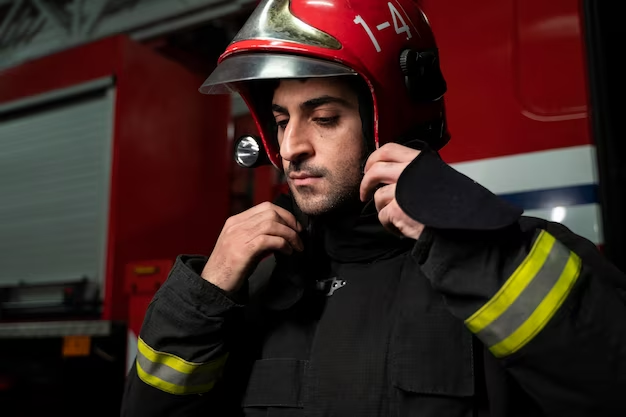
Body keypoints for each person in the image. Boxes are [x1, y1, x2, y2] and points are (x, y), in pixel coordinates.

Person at [120, 0, 626, 415]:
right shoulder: (255, 282)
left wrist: (466, 243)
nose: (291, 146)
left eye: (323, 117)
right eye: (279, 120)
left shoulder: (498, 263)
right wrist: (204, 297)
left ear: (391, 119)